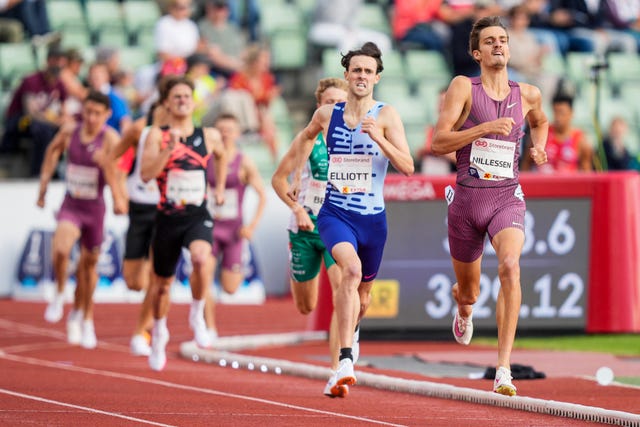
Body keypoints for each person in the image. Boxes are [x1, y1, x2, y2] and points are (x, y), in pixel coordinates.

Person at [431, 16, 549, 396]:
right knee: (470, 292)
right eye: (490, 41)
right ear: (476, 52)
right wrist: (483, 128)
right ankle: (464, 308)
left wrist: (539, 145)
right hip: (467, 199)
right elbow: (439, 143)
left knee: (511, 266)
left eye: (503, 39)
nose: (498, 45)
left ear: (509, 49)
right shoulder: (464, 86)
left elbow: (541, 121)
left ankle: (503, 368)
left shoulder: (528, 93)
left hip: (506, 196)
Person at [288, 42, 414, 395]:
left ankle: (352, 332)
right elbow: (304, 139)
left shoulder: (387, 115)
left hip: (373, 220)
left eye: (367, 71)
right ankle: (344, 359)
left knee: (365, 296)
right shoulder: (328, 115)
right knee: (351, 270)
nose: (361, 76)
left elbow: (407, 166)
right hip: (335, 214)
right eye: (355, 70)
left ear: (377, 77)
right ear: (347, 75)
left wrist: (380, 139)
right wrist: (297, 176)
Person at [140, 75, 227, 371]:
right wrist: (168, 149)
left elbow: (222, 155)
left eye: (186, 97)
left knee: (202, 259)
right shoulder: (156, 135)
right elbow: (145, 174)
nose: (181, 101)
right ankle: (159, 332)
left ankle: (197, 313)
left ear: (193, 102)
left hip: (197, 214)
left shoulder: (209, 135)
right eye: (176, 97)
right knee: (162, 286)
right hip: (167, 217)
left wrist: (218, 187)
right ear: (167, 102)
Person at [271, 77, 349, 397]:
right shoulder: (306, 140)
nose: (336, 109)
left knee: (342, 293)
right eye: (330, 103)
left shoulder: (353, 141)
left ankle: (336, 371)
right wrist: (297, 208)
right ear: (320, 107)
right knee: (306, 305)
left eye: (341, 104)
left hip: (338, 226)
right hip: (304, 228)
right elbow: (278, 180)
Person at [37, 90, 127, 348]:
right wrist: (43, 186)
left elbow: (118, 175)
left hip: (95, 209)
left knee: (89, 270)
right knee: (61, 249)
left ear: (107, 115)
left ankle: (85, 318)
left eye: (97, 114)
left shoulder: (110, 138)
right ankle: (58, 293)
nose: (91, 117)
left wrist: (117, 193)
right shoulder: (69, 131)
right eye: (88, 112)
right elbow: (52, 152)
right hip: (71, 205)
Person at [110, 99, 170, 356]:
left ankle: (144, 331)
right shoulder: (139, 134)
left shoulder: (179, 138)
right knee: (134, 281)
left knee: (158, 278)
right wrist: (118, 195)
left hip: (166, 210)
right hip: (139, 208)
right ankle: (153, 309)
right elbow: (117, 165)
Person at [203, 113, 266, 339]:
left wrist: (252, 226)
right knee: (204, 275)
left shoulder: (244, 161)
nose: (225, 133)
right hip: (209, 228)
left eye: (229, 129)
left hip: (233, 231)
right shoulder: (206, 159)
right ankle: (208, 327)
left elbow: (262, 195)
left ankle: (211, 300)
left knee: (230, 288)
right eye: (221, 129)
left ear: (237, 133)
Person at [0, 45, 70, 177]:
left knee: (64, 130)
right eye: (56, 61)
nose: (58, 65)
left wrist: (64, 121)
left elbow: (64, 110)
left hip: (47, 122)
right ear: (48, 61)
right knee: (41, 128)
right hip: (20, 121)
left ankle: (58, 169)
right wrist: (55, 121)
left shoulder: (60, 85)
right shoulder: (31, 80)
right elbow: (30, 112)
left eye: (61, 62)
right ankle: (37, 172)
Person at [521, 93, 592, 172]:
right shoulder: (541, 134)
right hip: (543, 182)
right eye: (555, 112)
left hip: (568, 183)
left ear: (571, 113)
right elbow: (526, 163)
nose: (558, 117)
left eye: (562, 113)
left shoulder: (581, 140)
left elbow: (586, 171)